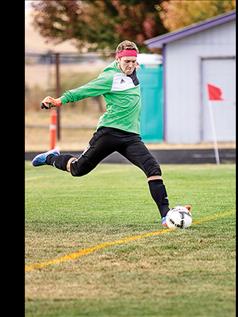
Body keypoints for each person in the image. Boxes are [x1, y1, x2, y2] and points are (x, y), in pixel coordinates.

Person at [32, 40, 191, 227]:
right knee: (78, 170)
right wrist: (59, 101)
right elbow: (85, 90)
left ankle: (166, 216)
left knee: (153, 168)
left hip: (131, 136)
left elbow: (132, 62)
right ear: (118, 60)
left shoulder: (133, 70)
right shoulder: (111, 77)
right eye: (127, 62)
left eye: (134, 61)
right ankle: (51, 157)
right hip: (109, 133)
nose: (131, 65)